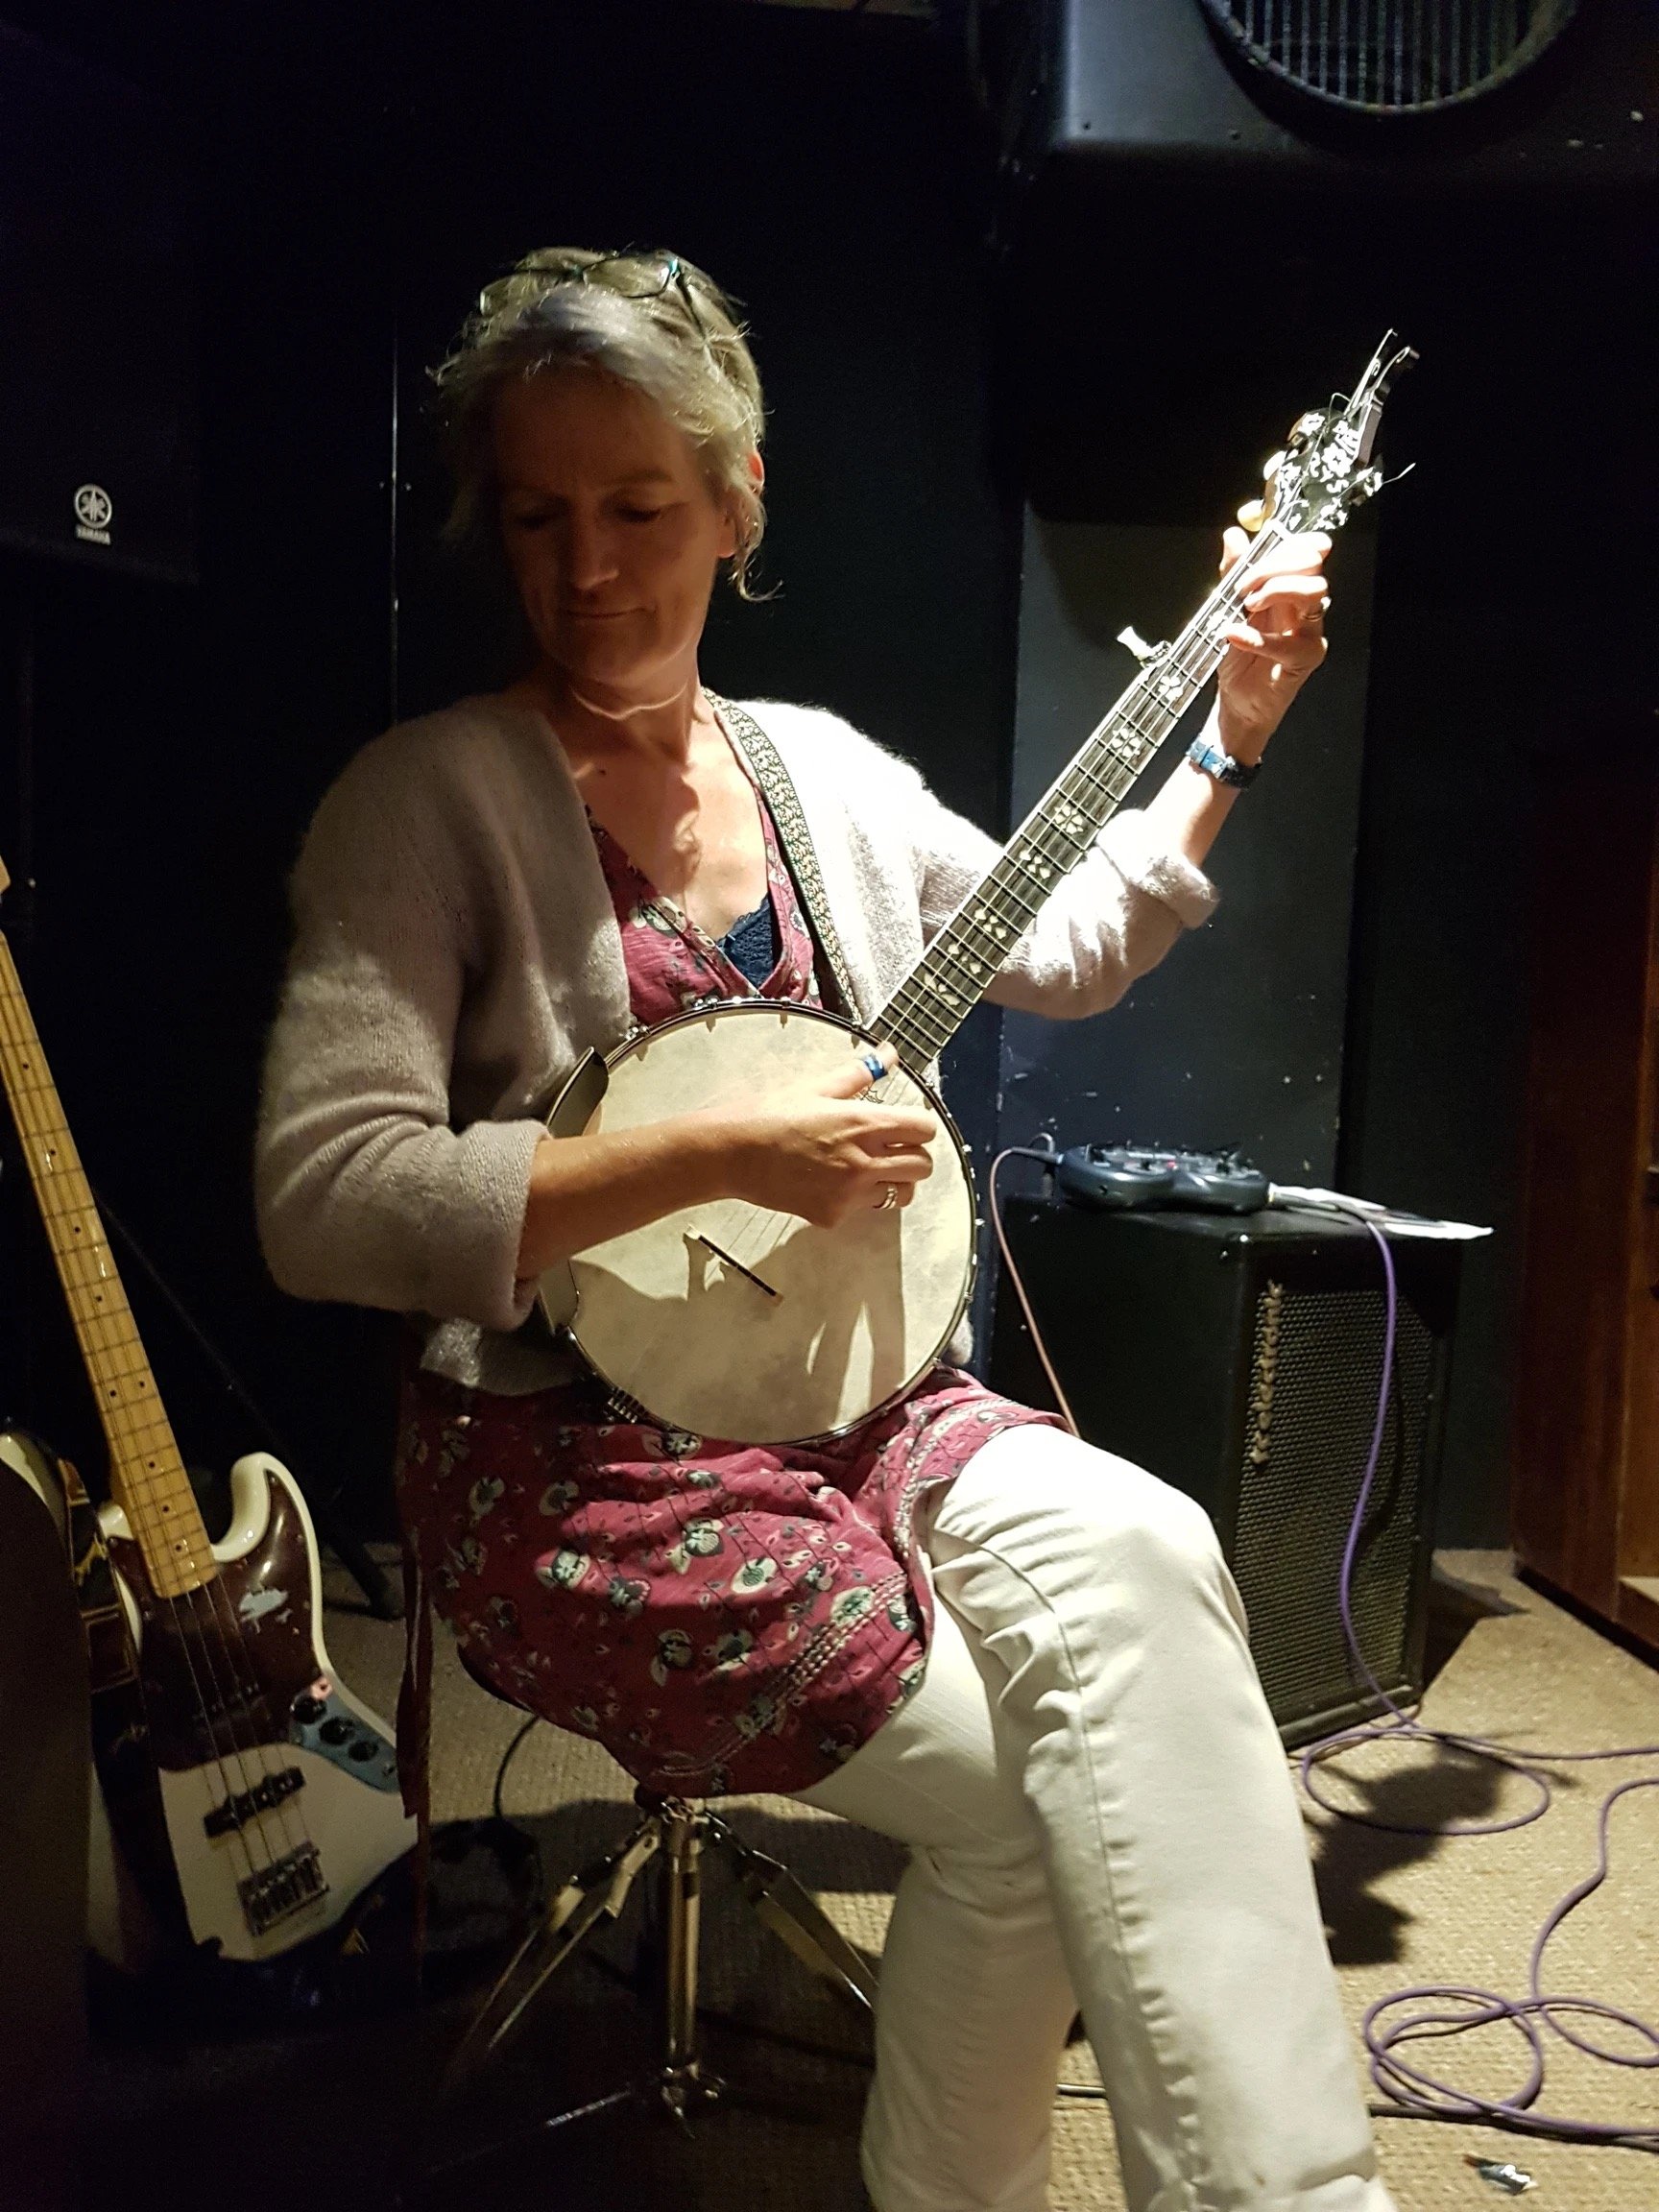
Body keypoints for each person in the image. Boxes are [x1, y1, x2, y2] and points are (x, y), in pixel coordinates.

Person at [256, 249, 1392, 2212]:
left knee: (1151, 1547)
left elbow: (1074, 939)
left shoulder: (824, 776)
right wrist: (705, 1157)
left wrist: (1234, 731)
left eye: (638, 510)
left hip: (867, 1398)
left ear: (738, 499)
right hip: (575, 1460)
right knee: (1026, 1806)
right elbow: (322, 1199)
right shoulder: (423, 798)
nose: (589, 568)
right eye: (539, 517)